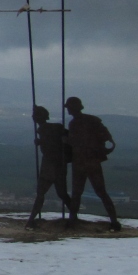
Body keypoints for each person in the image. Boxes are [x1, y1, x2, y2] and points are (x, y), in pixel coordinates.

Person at [64, 96, 120, 231]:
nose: (68, 111)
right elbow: (107, 137)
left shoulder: (74, 124)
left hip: (81, 162)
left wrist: (65, 140)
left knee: (78, 192)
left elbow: (76, 142)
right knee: (101, 192)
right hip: (93, 161)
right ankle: (114, 221)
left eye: (69, 108)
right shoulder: (93, 120)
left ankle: (72, 220)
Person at [26, 105, 71, 229]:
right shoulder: (55, 128)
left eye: (35, 115)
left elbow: (51, 146)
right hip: (57, 164)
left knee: (43, 193)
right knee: (61, 193)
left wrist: (41, 142)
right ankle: (74, 216)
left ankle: (31, 220)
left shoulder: (45, 130)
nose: (33, 118)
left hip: (51, 165)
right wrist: (41, 142)